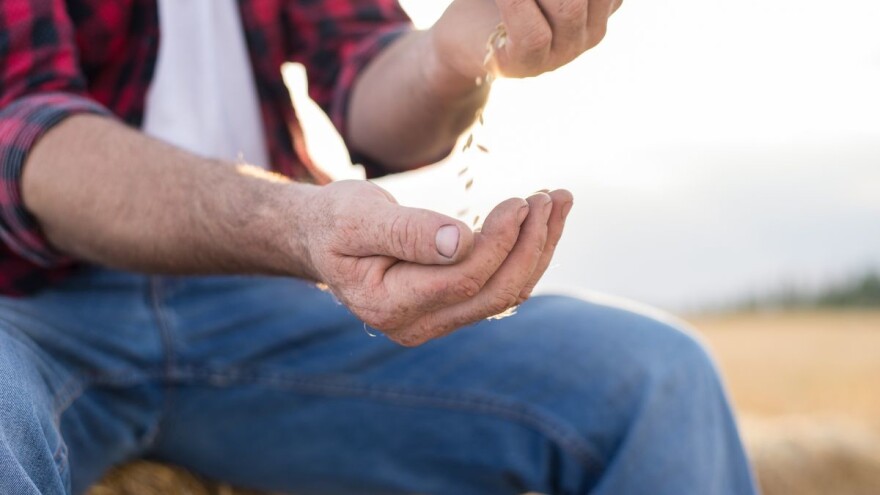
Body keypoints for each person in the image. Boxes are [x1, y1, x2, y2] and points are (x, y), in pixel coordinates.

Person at [0, 0, 757, 493]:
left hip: (254, 297)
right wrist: (293, 222)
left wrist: (448, 57)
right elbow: (27, 135)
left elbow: (366, 77)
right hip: (31, 310)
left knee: (658, 382)